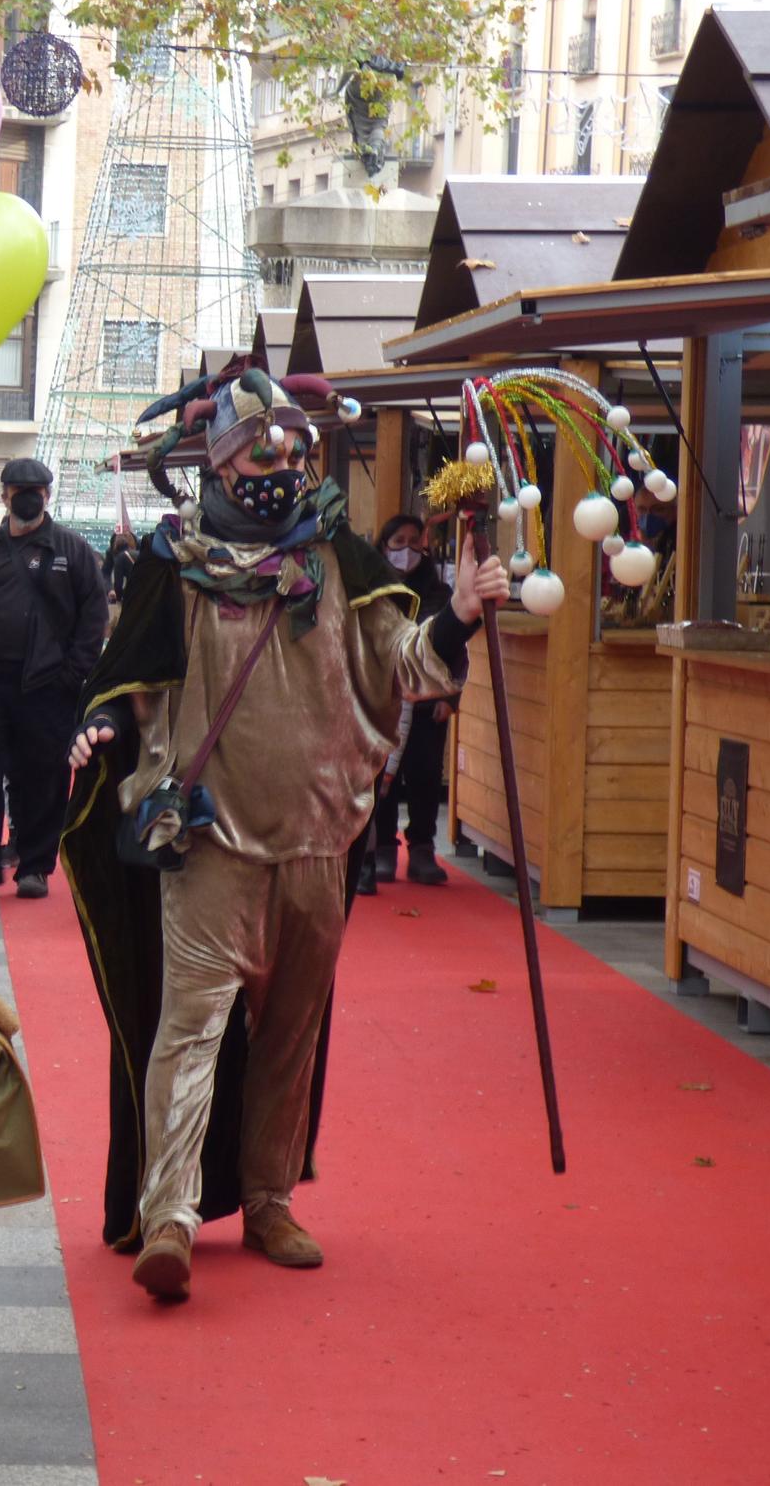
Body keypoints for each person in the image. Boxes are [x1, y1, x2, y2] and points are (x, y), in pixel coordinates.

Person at [62, 366, 509, 1303]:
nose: (282, 465)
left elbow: (407, 667)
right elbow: (127, 682)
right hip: (209, 839)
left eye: (296, 450)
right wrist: (106, 731)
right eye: (262, 451)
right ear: (222, 465)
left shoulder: (339, 557)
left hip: (319, 836)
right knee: (190, 1032)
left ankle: (268, 1198)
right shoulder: (173, 560)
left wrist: (460, 613)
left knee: (292, 1031)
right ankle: (171, 1216)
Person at [0, 458, 108, 897]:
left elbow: (94, 618)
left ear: (48, 496)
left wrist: (73, 673)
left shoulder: (71, 551)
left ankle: (35, 865)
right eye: (18, 489)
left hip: (50, 685)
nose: (28, 496)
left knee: (44, 776)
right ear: (4, 495)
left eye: (36, 489)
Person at [358, 514, 453, 893]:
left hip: (429, 699)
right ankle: (382, 847)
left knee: (426, 773)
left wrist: (450, 695)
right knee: (382, 775)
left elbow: (451, 645)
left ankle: (422, 848)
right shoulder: (374, 588)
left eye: (415, 541)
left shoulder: (438, 593)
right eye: (399, 541)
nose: (407, 549)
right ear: (384, 545)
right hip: (384, 698)